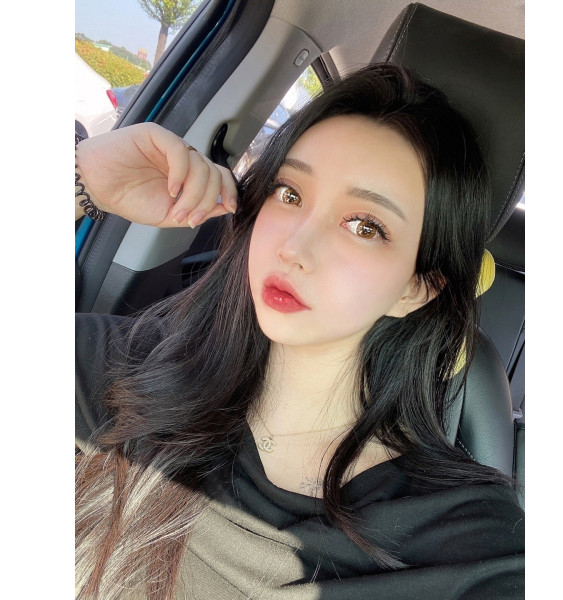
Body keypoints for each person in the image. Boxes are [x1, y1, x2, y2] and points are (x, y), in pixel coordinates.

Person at [75, 64, 525, 600]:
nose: (295, 247)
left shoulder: (467, 541)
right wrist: (79, 179)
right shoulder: (129, 371)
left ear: (416, 288)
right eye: (289, 193)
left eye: (365, 226)